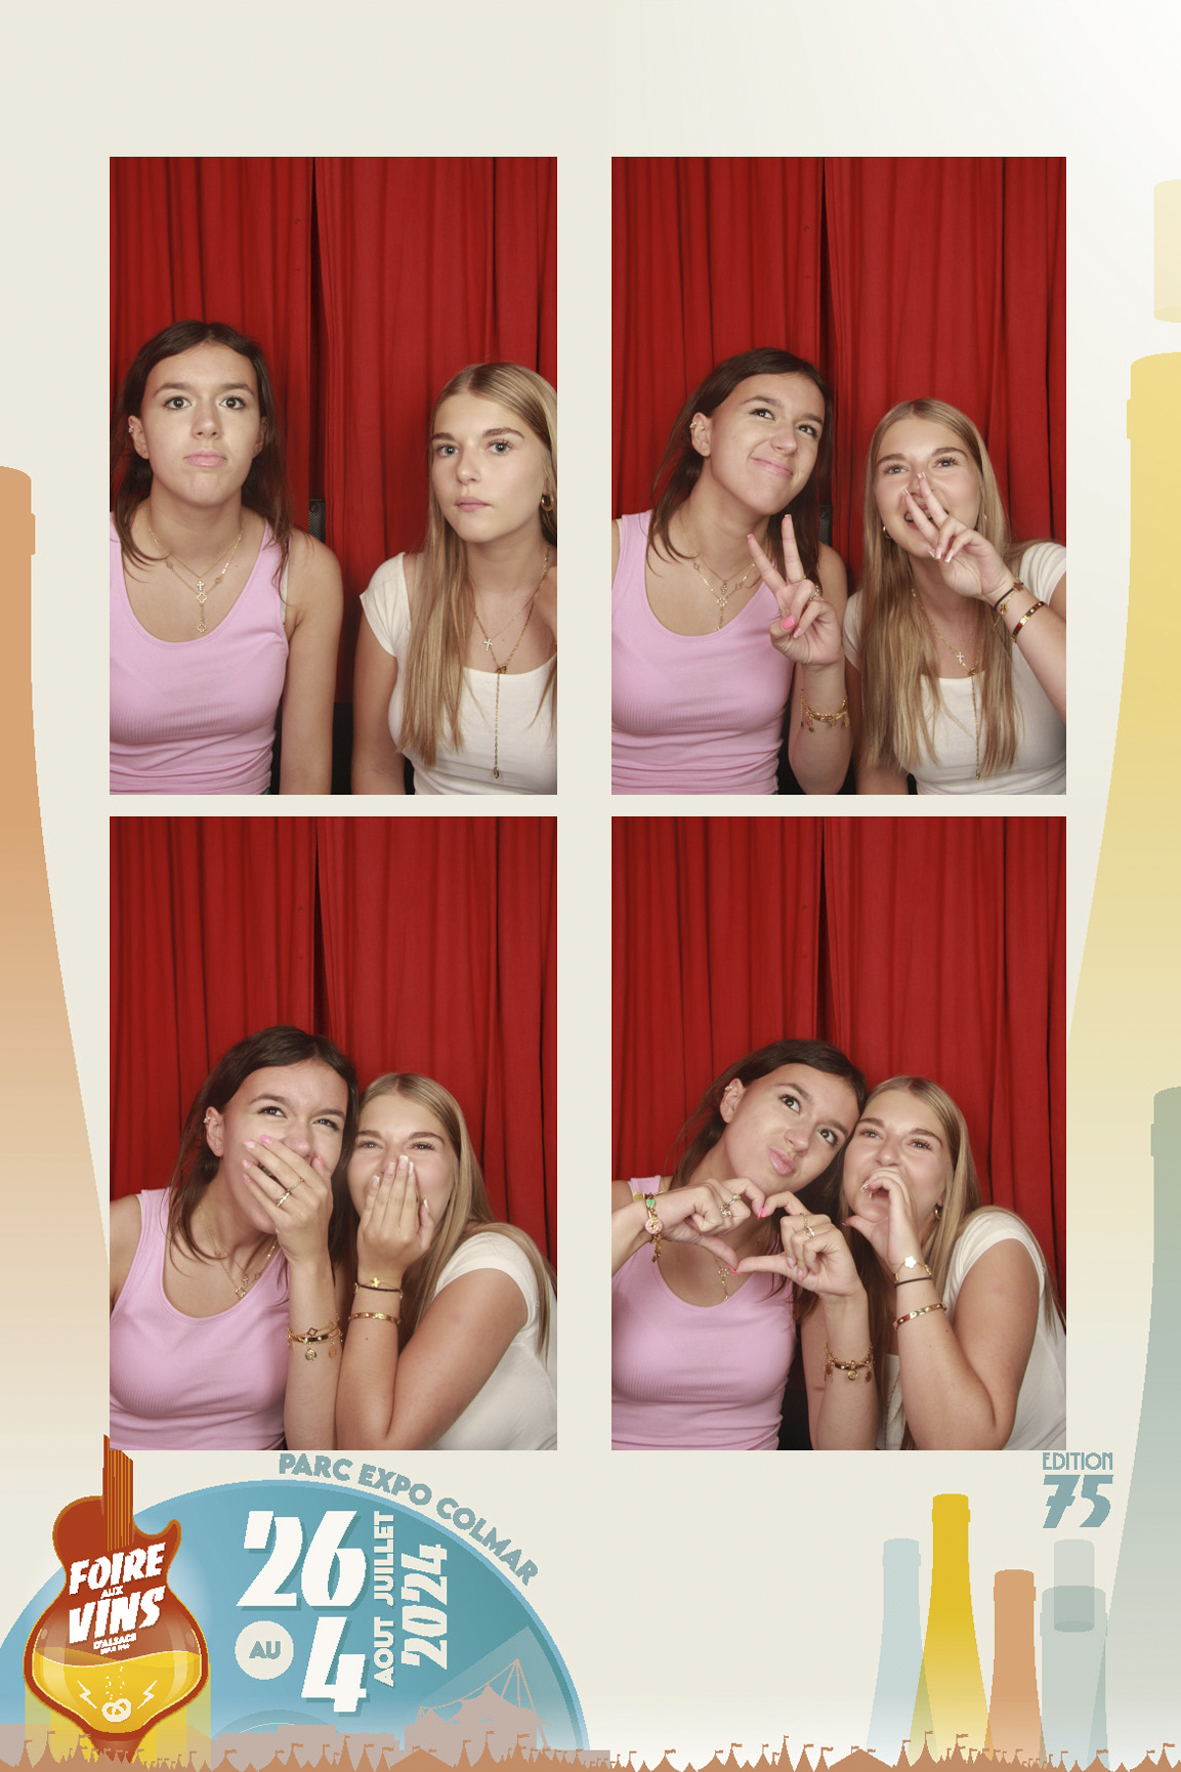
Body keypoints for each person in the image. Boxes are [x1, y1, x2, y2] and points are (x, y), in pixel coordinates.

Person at [742, 1076, 1066, 1450]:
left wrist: (906, 1263)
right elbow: (843, 1457)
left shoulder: (995, 1243)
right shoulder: (828, 1264)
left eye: (919, 1143)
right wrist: (846, 1303)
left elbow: (963, 1449)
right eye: (870, 1134)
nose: (887, 1156)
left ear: (946, 1187)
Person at [110, 320, 342, 794]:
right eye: (177, 402)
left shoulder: (309, 572)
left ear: (260, 436)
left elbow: (306, 777)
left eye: (232, 402)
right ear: (139, 435)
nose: (208, 424)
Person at [611, 347, 851, 794]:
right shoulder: (607, 554)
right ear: (703, 435)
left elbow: (821, 785)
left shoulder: (819, 572)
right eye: (763, 412)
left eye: (807, 429)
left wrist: (823, 669)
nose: (789, 442)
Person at [110, 1026, 359, 1451]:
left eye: (326, 1122)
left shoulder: (330, 1263)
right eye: (273, 1110)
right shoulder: (121, 1234)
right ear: (217, 1132)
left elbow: (314, 1453)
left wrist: (310, 1262)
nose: (301, 1144)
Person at [611, 1040, 866, 1450]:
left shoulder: (806, 1254)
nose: (801, 1140)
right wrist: (644, 1222)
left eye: (827, 1135)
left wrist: (848, 1303)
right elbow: (551, 1355)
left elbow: (844, 1457)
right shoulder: (617, 1207)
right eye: (791, 1102)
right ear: (732, 1101)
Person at [353, 363, 557, 795]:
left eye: (498, 446)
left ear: (550, 474)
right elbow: (374, 769)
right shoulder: (397, 590)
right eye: (447, 449)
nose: (464, 471)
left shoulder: (608, 590)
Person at [845, 399, 1066, 794]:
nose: (920, 486)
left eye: (945, 462)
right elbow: (879, 774)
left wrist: (1001, 590)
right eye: (895, 468)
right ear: (877, 506)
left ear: (981, 485)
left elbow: (1114, 726)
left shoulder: (1048, 572)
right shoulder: (862, 616)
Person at [335, 1074, 556, 1449]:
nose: (393, 1166)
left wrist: (379, 1276)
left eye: (421, 1145)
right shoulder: (340, 1265)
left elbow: (369, 1459)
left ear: (458, 1170)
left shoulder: (494, 1265)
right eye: (369, 1143)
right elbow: (320, 1442)